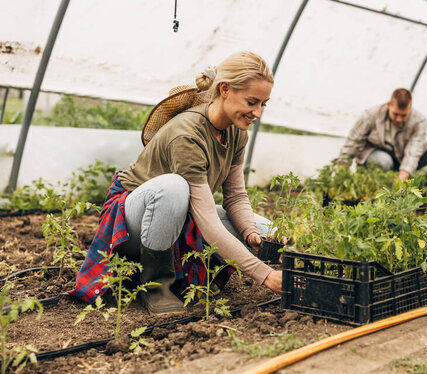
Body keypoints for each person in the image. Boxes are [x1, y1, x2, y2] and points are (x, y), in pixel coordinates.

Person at [70, 51, 282, 315]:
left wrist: (251, 231)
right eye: (252, 102)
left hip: (181, 220)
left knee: (269, 229)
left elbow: (236, 197)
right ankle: (156, 285)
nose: (258, 112)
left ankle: (195, 276)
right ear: (225, 89)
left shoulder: (236, 132)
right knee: (173, 187)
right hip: (131, 223)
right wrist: (264, 275)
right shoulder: (187, 133)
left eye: (264, 104)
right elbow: (206, 219)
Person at [338, 88, 427, 185]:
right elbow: (353, 141)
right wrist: (343, 171)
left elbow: (413, 151)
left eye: (403, 115)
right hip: (376, 158)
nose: (399, 119)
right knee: (383, 161)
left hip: (402, 159)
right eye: (396, 114)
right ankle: (376, 194)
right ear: (389, 105)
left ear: (410, 108)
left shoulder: (419, 121)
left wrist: (400, 181)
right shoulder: (371, 115)